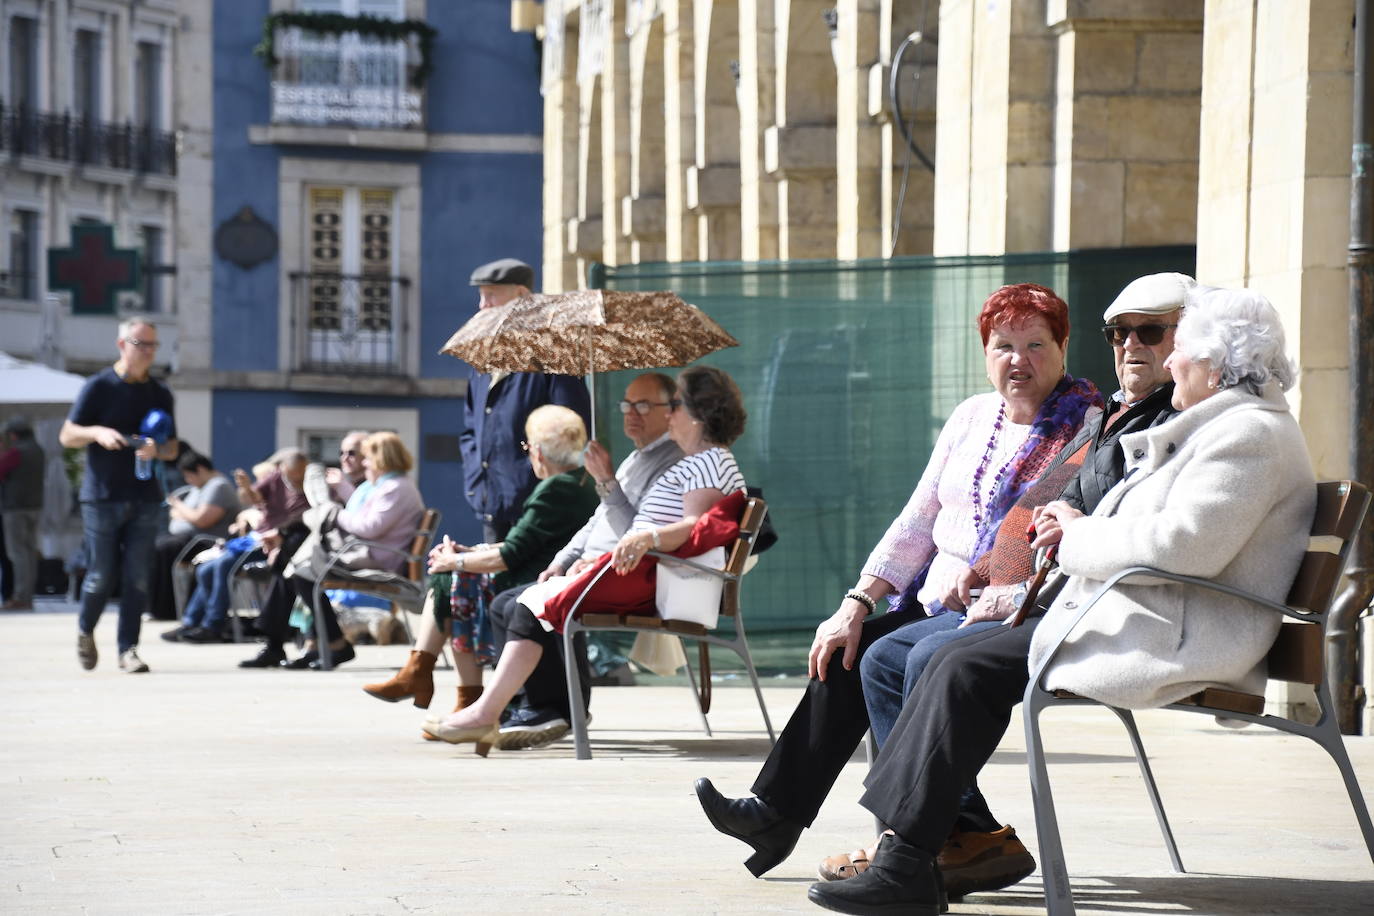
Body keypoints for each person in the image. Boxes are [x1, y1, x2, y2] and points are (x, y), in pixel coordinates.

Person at [809, 286, 1315, 916]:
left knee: (961, 665)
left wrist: (1074, 537)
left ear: (1216, 364)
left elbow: (1182, 547)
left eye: (1178, 348)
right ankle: (915, 850)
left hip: (1174, 634)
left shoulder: (1249, 435)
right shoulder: (1224, 426)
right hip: (1142, 613)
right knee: (938, 658)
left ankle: (907, 858)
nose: (1169, 361)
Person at [690, 282, 1105, 882]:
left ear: (1064, 347)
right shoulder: (970, 416)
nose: (1018, 360)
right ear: (984, 352)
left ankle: (945, 835)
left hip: (1002, 605)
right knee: (843, 653)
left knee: (891, 660)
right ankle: (777, 813)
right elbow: (918, 518)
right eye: (1003, 345)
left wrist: (989, 570)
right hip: (936, 600)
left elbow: (1051, 529)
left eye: (1036, 344)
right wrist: (858, 600)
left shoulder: (1085, 425)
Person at [422, 365, 748, 755]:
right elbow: (613, 523)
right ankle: (526, 709)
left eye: (667, 404)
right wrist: (579, 556)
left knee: (529, 605)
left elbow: (695, 528)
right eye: (627, 404)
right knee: (512, 601)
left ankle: (502, 712)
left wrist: (637, 535)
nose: (633, 412)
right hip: (634, 570)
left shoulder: (704, 461)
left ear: (694, 412)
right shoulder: (687, 461)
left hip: (648, 577)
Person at [363, 374, 683, 747]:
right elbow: (597, 523)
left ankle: (507, 704)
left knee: (502, 596)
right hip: (592, 568)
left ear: (672, 411)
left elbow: (633, 533)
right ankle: (516, 703)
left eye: (643, 406)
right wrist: (564, 560)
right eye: (627, 405)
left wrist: (606, 484)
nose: (631, 414)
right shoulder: (635, 459)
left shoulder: (654, 463)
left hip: (619, 574)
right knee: (503, 600)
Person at [363, 405, 603, 732]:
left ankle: (454, 688)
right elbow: (527, 543)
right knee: (454, 575)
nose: (528, 454)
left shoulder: (556, 488)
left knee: (453, 581)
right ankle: (431, 677)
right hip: (543, 571)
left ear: (539, 452)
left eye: (527, 446)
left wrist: (456, 560)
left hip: (535, 578)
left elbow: (511, 555)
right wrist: (470, 552)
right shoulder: (578, 482)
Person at [239, 432, 423, 670]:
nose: (363, 462)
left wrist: (333, 511)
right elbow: (363, 516)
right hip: (364, 551)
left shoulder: (395, 488)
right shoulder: (389, 484)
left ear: (381, 458)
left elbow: (368, 526)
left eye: (365, 457)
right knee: (297, 562)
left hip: (373, 556)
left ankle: (318, 642)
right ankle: (319, 642)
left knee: (299, 567)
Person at [61, 318, 178, 673]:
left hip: (144, 496)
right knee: (101, 573)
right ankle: (85, 630)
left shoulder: (160, 393)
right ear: (121, 344)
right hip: (102, 496)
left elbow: (173, 448)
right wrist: (96, 432)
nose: (148, 352)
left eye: (153, 345)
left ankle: (128, 650)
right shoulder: (98, 386)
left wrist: (158, 451)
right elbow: (67, 436)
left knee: (138, 577)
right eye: (141, 344)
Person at [460, 258, 591, 543]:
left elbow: (571, 427)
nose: (483, 305)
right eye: (481, 295)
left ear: (521, 295)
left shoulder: (554, 352)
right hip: (492, 503)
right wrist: (475, 477)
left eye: (492, 294)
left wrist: (531, 477)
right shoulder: (482, 356)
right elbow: (471, 429)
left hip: (538, 506)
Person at [163, 447, 317, 644]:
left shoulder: (312, 486)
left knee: (223, 564)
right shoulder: (276, 478)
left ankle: (213, 625)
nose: (295, 481)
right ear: (283, 468)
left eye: (299, 476)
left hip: (279, 545)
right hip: (259, 538)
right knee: (205, 570)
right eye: (291, 475)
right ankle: (191, 622)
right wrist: (246, 487)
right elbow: (252, 498)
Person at [147, 451, 241, 621]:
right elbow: (179, 515)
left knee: (164, 549)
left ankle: (165, 610)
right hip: (188, 537)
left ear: (200, 469)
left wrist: (178, 505)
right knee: (156, 545)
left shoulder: (218, 486)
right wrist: (185, 512)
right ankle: (157, 607)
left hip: (206, 541)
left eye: (188, 475)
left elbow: (202, 519)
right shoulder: (199, 488)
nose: (188, 480)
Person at [0, 417, 45, 610]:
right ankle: (27, 596)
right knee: (28, 552)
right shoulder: (39, 450)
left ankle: (20, 596)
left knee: (17, 553)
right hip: (35, 506)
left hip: (15, 508)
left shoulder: (16, 452)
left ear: (13, 434)